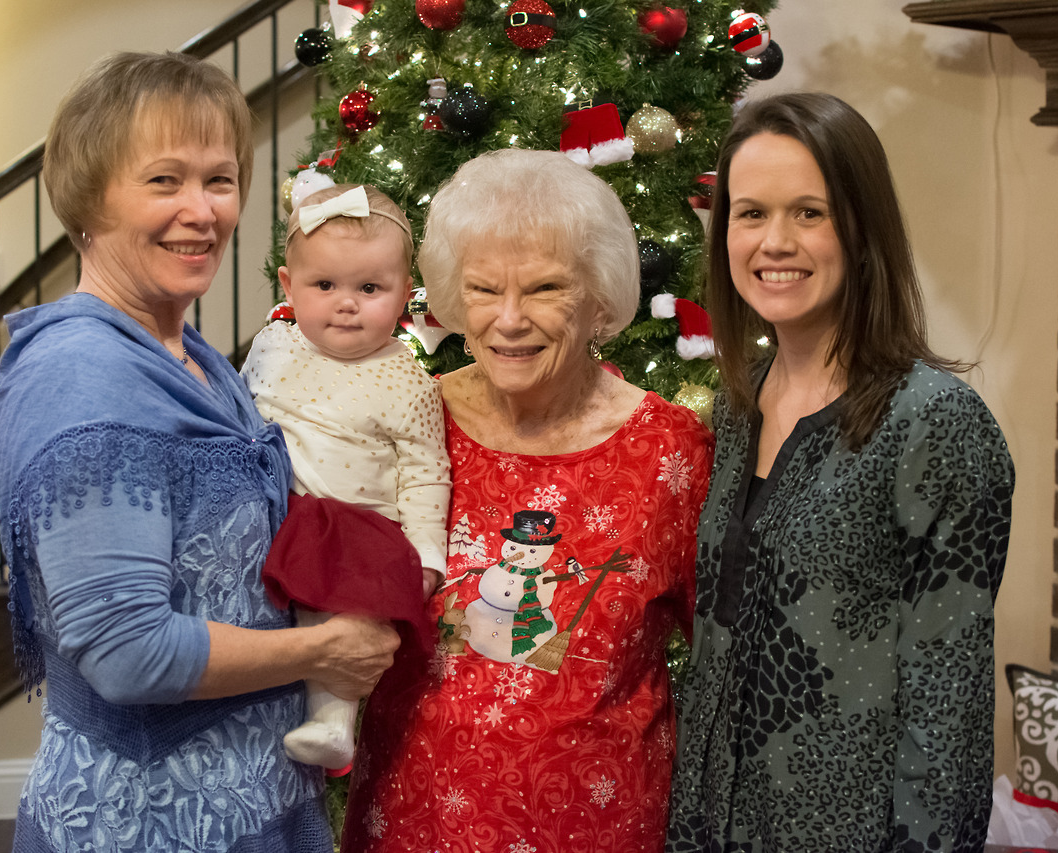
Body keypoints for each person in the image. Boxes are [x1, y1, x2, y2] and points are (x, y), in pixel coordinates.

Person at [0, 51, 399, 853]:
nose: (202, 211)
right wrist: (324, 650)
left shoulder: (194, 356)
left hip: (258, 802)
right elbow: (127, 652)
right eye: (164, 181)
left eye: (220, 180)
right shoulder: (84, 373)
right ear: (89, 197)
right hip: (147, 825)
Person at [665, 92, 1015, 852]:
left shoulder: (934, 422)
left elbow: (950, 703)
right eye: (751, 214)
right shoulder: (737, 407)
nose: (774, 242)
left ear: (860, 230)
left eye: (809, 213)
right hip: (711, 823)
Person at [339, 148, 715, 852]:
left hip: (599, 830)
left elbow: (726, 665)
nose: (508, 320)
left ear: (599, 297)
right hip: (413, 824)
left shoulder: (671, 453)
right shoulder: (410, 421)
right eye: (483, 290)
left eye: (545, 288)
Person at [241, 183, 450, 773]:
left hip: (358, 528)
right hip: (272, 509)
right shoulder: (272, 345)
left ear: (405, 295)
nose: (346, 304)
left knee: (350, 614)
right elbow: (238, 413)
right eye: (325, 285)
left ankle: (333, 721)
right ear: (288, 287)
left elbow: (426, 472)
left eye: (370, 289)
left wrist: (426, 555)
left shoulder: (408, 381)